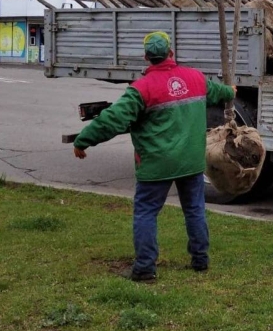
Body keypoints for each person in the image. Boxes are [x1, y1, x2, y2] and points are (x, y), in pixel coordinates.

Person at [72, 31, 235, 282]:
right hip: (190, 162)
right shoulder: (196, 78)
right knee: (194, 209)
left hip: (157, 164)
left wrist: (84, 141)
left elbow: (113, 120)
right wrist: (231, 91)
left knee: (146, 212)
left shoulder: (141, 89)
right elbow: (220, 92)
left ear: (146, 58)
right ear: (171, 53)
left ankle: (145, 269)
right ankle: (200, 260)